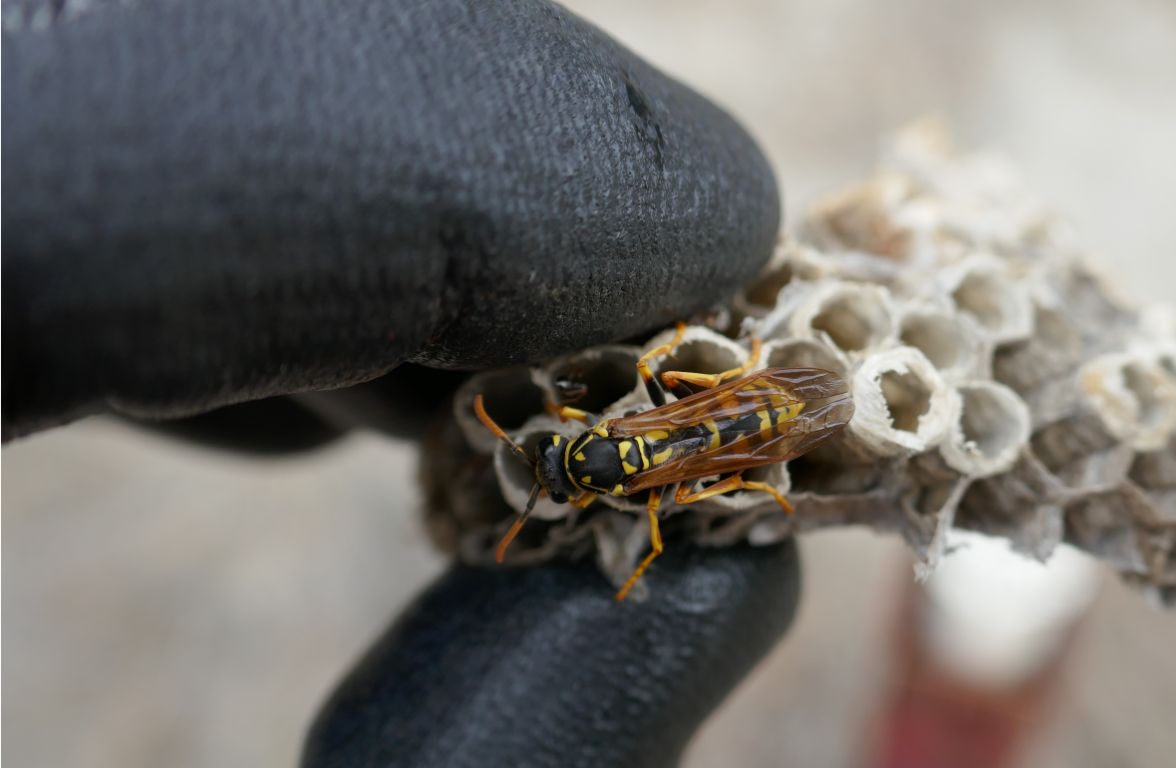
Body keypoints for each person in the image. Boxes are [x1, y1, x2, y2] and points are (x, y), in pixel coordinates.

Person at [3, 1, 797, 765]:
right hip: (733, 421)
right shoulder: (622, 445)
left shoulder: (613, 456)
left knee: (696, 449)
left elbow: (655, 490)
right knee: (703, 436)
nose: (560, 456)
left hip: (722, 431)